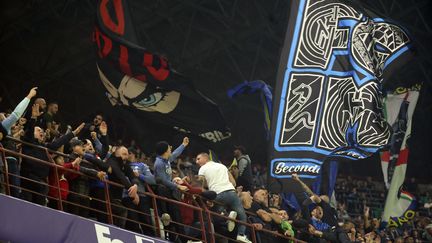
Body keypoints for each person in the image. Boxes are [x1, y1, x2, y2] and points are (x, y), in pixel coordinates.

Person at [196, 152, 252, 243]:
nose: (196, 161)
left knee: (216, 216)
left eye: (198, 159)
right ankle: (241, 234)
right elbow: (233, 183)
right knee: (242, 215)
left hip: (217, 194)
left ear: (205, 158)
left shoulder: (202, 169)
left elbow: (201, 185)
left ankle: (225, 220)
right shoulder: (222, 166)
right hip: (231, 193)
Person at [154, 137, 189, 242]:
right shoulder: (159, 163)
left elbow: (175, 154)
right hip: (164, 192)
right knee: (170, 218)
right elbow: (164, 181)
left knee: (177, 217)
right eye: (169, 147)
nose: (170, 149)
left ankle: (183, 240)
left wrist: (183, 145)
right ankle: (177, 239)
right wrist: (178, 186)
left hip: (170, 191)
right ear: (165, 151)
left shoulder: (166, 159)